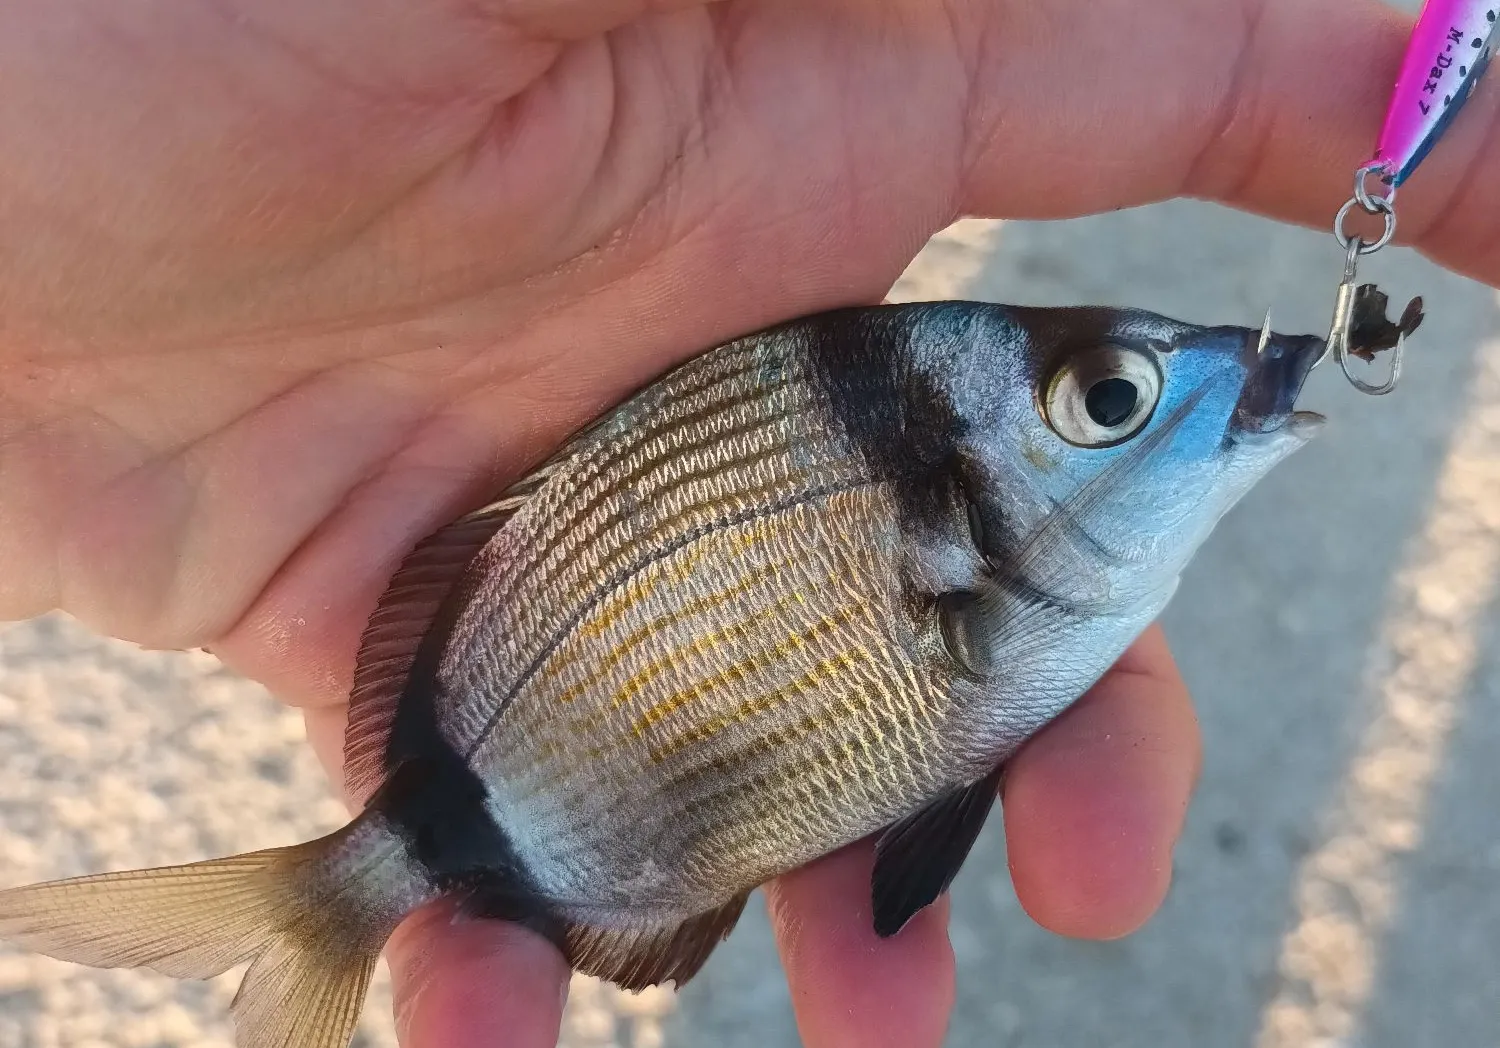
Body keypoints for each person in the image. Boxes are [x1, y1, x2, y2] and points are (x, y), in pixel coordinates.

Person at [0, 0, 1491, 1044]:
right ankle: (339, 901)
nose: (1172, 398)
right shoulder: (1007, 582)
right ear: (969, 514)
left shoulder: (1014, 571)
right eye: (1103, 402)